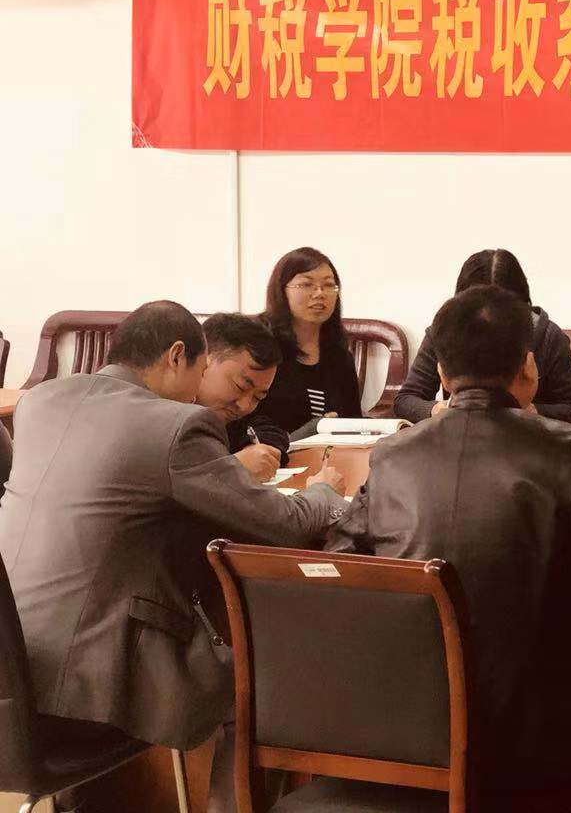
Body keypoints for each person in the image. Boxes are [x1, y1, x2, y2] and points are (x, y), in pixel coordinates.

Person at [328, 285, 571, 797]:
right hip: (548, 727)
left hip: (413, 722)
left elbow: (340, 564)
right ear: (528, 366)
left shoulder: (391, 455)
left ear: (441, 374)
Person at [0, 301, 346, 752]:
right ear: (177, 356)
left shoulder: (39, 402)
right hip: (79, 698)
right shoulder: (176, 424)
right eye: (200, 371)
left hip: (11, 683)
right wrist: (325, 492)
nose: (198, 389)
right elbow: (285, 525)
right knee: (262, 682)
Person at [393, 248, 571, 425]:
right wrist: (438, 410)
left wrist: (532, 411)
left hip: (531, 441)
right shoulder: (445, 332)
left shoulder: (548, 336)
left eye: (503, 307)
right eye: (476, 306)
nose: (490, 316)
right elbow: (406, 399)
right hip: (461, 436)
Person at [260, 246, 363, 433]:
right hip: (270, 448)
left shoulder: (339, 355)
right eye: (306, 284)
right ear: (281, 291)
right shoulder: (260, 344)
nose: (319, 293)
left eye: (329, 285)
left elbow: (353, 419)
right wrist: (313, 429)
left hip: (329, 450)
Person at [198, 312, 290, 476]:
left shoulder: (229, 417)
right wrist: (232, 467)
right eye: (240, 387)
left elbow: (269, 429)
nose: (244, 405)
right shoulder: (164, 413)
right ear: (204, 361)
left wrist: (257, 452)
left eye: (258, 397)